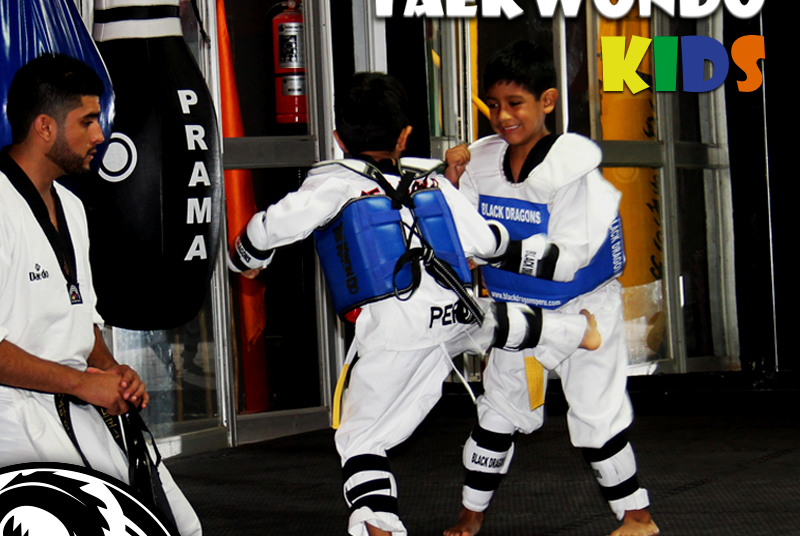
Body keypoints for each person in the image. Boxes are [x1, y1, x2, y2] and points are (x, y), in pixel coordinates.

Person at [229, 72, 602, 536]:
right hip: (451, 313)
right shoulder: (430, 184)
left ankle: (380, 524)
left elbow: (264, 229)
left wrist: (246, 261)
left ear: (338, 137)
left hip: (397, 332)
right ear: (404, 135)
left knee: (360, 438)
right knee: (489, 321)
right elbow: (487, 243)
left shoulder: (332, 185)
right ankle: (576, 331)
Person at [442, 41, 659, 536]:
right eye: (493, 104)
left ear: (547, 101)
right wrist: (452, 181)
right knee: (497, 411)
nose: (502, 116)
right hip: (519, 306)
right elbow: (461, 231)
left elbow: (566, 261)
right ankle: (470, 514)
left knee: (595, 415)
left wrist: (491, 250)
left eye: (515, 103)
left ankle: (638, 518)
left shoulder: (573, 169)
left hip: (583, 306)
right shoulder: (481, 160)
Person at [0, 53, 201, 535]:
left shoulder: (72, 206)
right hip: (14, 421)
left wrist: (112, 372)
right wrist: (82, 384)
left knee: (178, 524)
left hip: (76, 407)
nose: (100, 135)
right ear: (44, 126)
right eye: (87, 121)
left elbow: (79, 315)